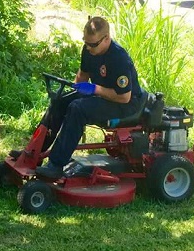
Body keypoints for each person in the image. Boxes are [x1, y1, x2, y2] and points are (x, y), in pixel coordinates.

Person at [36, 16, 144, 179]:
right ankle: (34, 152)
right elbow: (82, 76)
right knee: (61, 101)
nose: (88, 47)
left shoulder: (119, 58)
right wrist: (73, 92)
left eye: (92, 44)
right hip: (104, 97)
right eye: (85, 42)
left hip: (126, 104)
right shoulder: (89, 50)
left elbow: (124, 97)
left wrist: (95, 89)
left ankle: (56, 165)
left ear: (106, 38)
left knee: (78, 109)